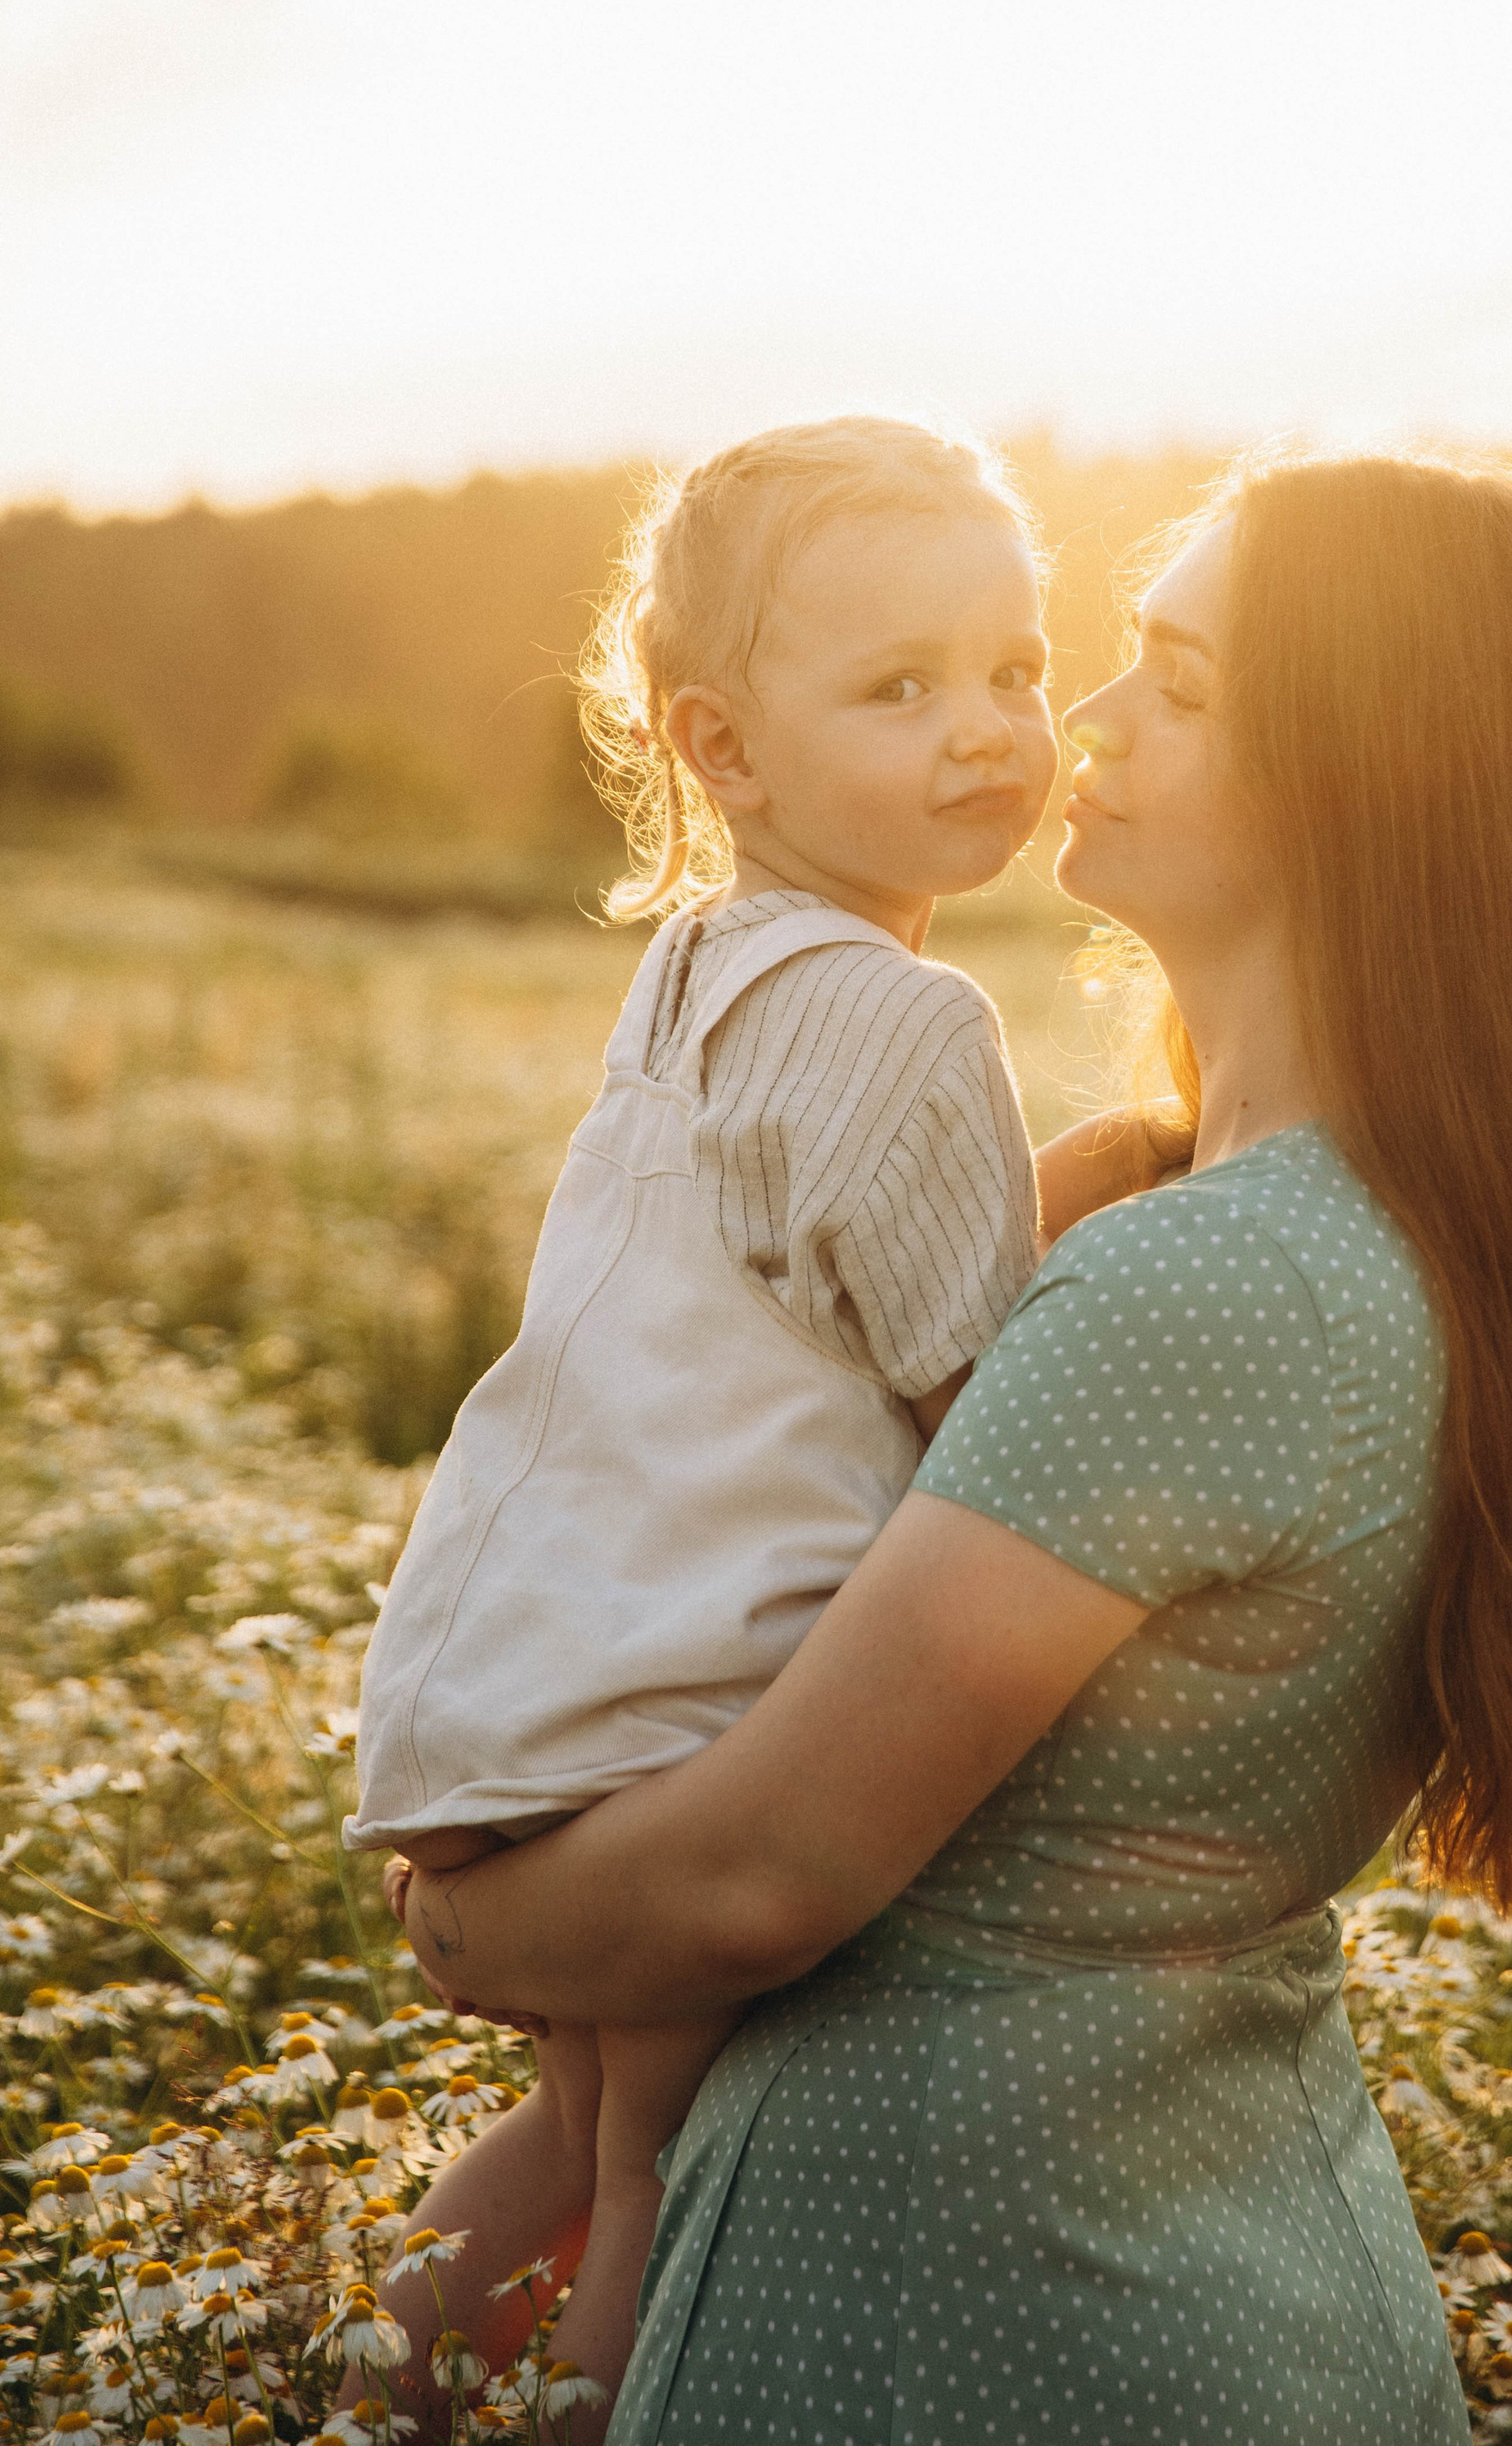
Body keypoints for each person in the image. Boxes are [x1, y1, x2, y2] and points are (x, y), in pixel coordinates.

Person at [393, 454, 1512, 2446]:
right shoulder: (1288, 1230)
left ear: (1370, 779)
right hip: (1147, 2261)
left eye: (1174, 681)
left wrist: (463, 1918)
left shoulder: (1219, 1288)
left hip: (990, 2309)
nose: (1073, 725)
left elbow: (760, 1876)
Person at [344, 415, 1085, 2438]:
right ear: (724, 750)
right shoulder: (913, 1019)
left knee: (573, 2127)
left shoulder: (700, 968)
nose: (988, 730)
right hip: (684, 1702)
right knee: (661, 2175)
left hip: (524, 1667)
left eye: (1014, 667)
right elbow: (988, 1397)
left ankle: (362, 2405)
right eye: (900, 687)